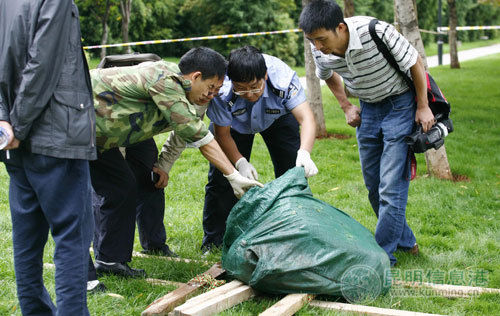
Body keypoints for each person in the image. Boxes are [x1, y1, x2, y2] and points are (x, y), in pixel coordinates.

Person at [90, 47, 262, 277]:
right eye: (211, 88)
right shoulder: (165, 81)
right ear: (196, 76)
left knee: (134, 183)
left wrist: (163, 165)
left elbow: (186, 132)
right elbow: (201, 136)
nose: (212, 96)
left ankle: (117, 259)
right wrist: (233, 175)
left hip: (119, 133)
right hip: (87, 127)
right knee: (112, 189)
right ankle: (97, 267)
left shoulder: (195, 96)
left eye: (217, 91)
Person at [299, 0, 434, 266]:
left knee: (391, 186)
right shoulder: (320, 50)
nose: (318, 46)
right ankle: (407, 242)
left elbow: (415, 62)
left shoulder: (376, 31)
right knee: (374, 186)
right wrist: (346, 105)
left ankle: (382, 257)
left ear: (340, 27)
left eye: (322, 39)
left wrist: (423, 105)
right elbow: (326, 74)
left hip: (400, 104)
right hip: (368, 110)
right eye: (311, 40)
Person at [0, 1, 96, 315]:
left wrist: (4, 121)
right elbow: (43, 62)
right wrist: (19, 125)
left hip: (13, 136)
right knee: (72, 236)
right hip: (53, 133)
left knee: (26, 238)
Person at [201, 45, 318, 252]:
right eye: (241, 88)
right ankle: (214, 240)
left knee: (292, 174)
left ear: (264, 75)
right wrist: (239, 162)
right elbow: (222, 134)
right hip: (235, 125)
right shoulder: (222, 89)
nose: (249, 94)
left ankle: (295, 233)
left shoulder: (282, 79)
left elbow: (306, 118)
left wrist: (305, 152)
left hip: (278, 118)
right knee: (223, 179)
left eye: (255, 87)